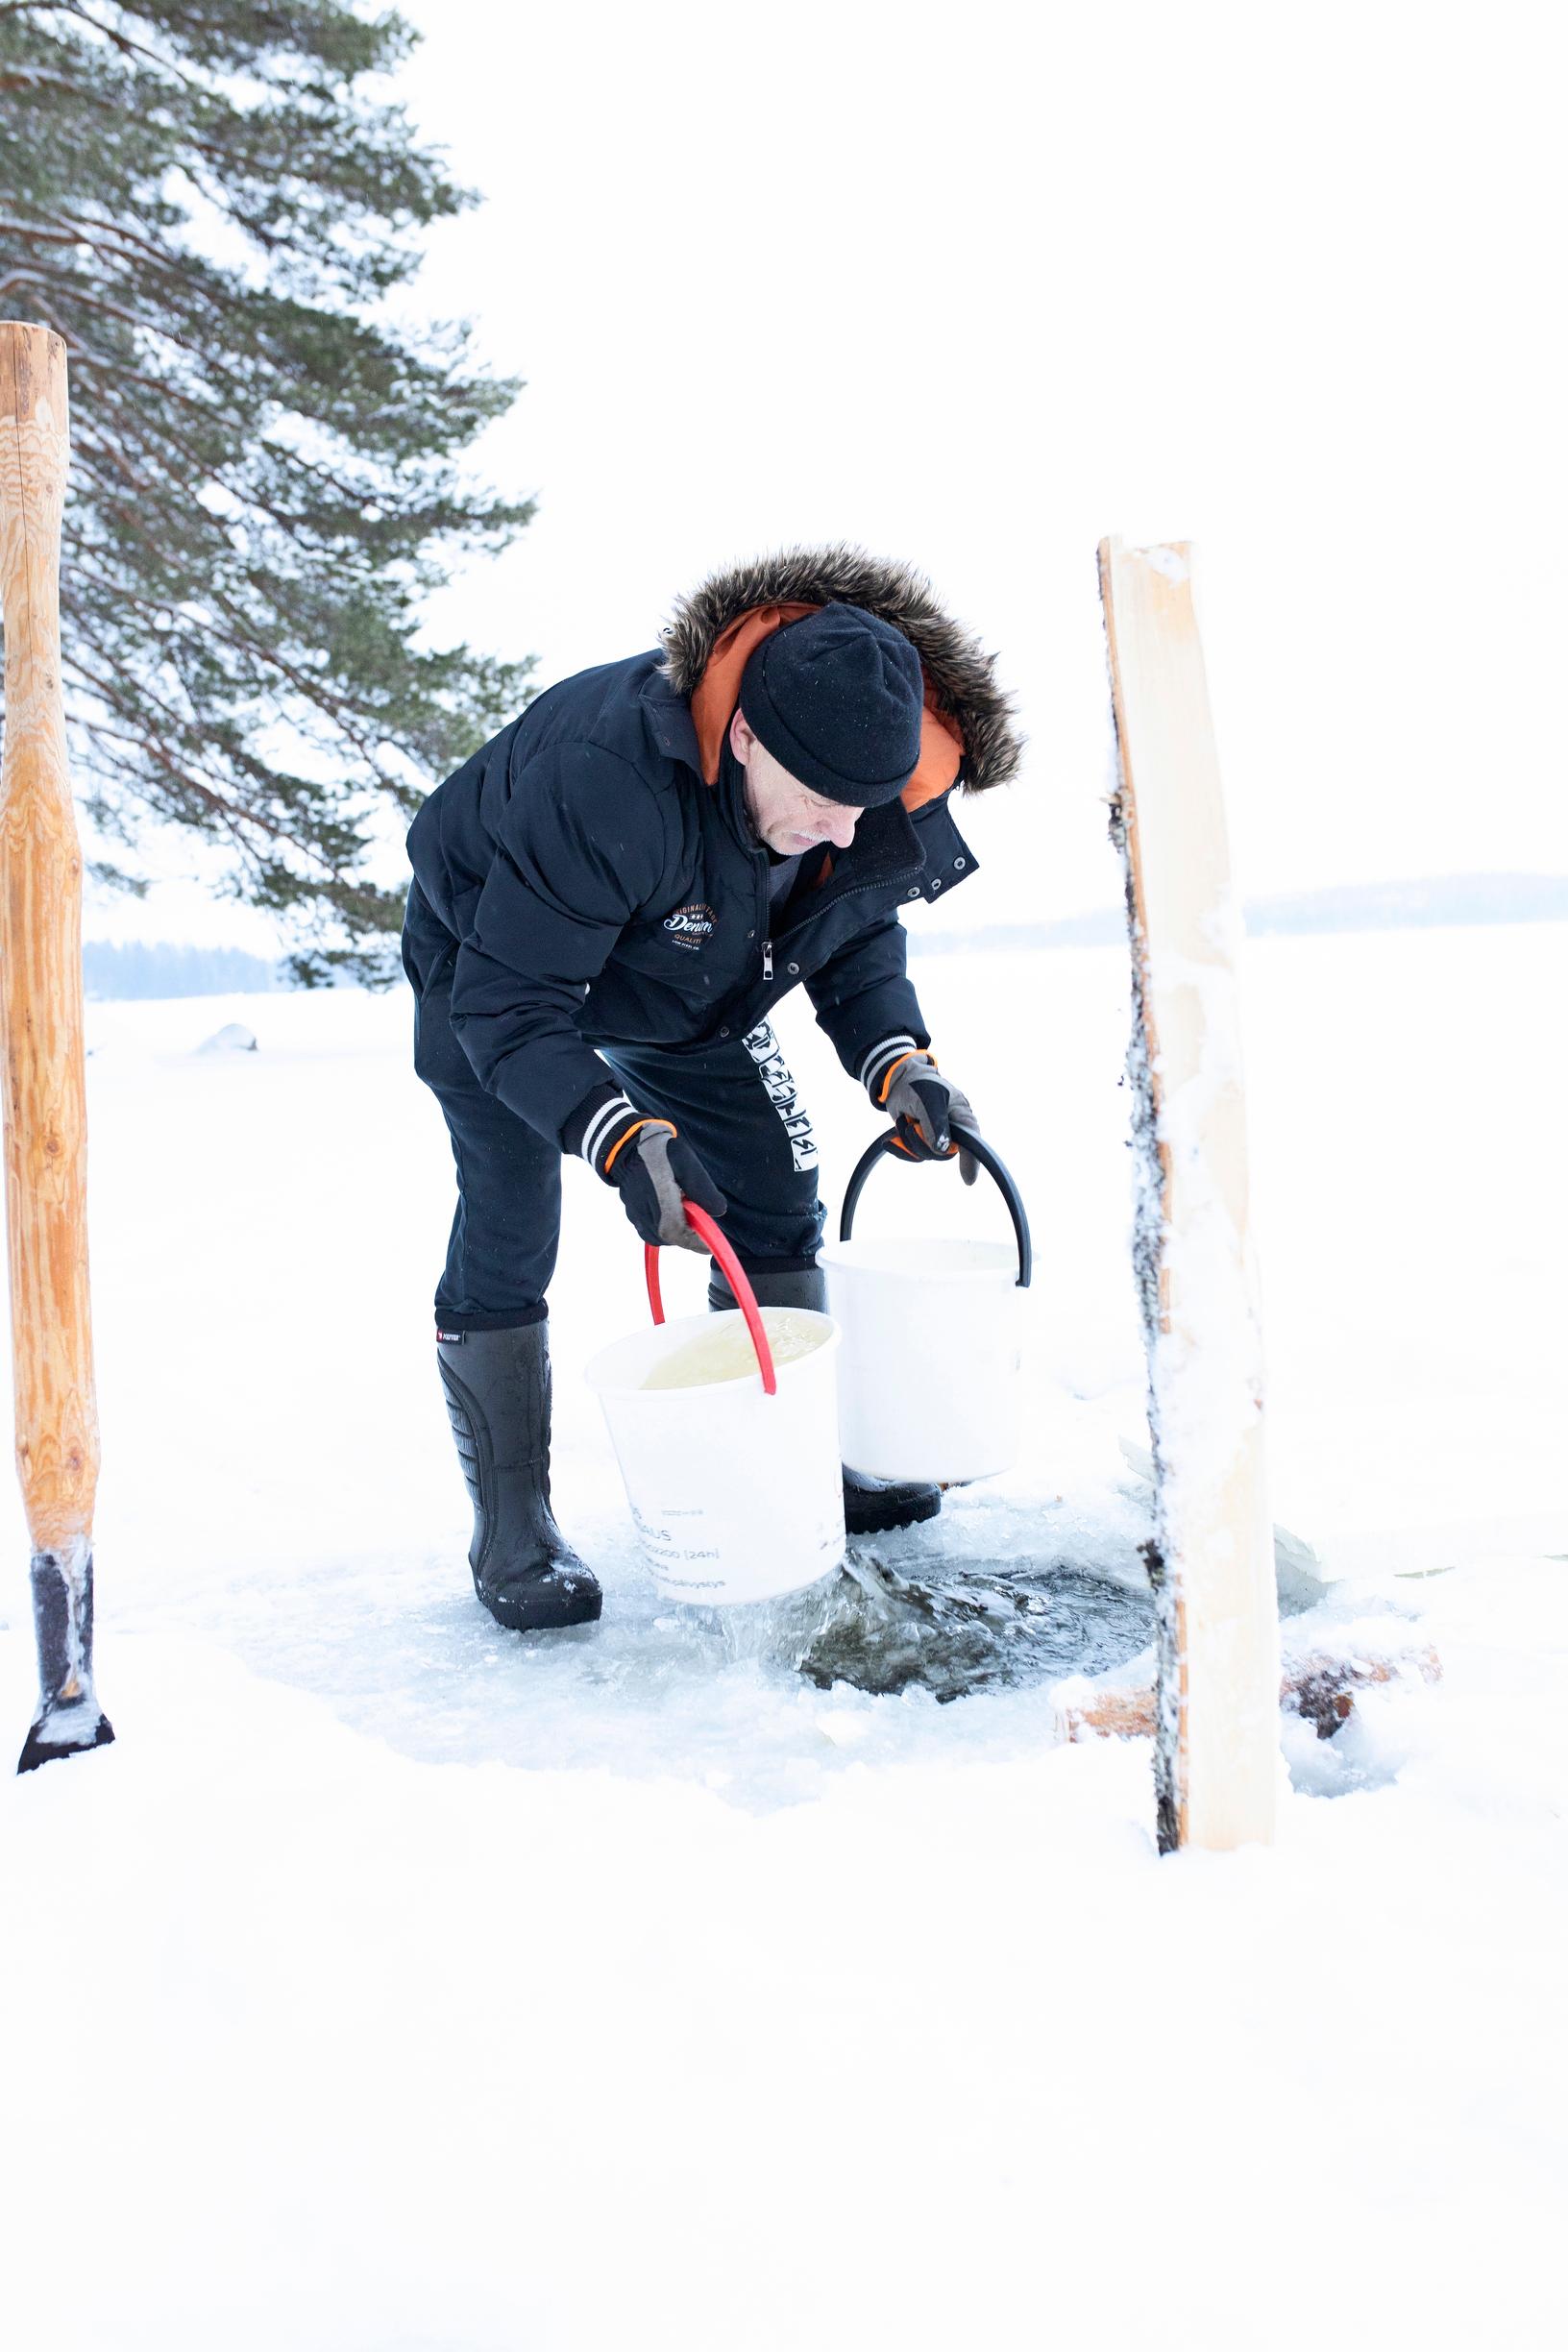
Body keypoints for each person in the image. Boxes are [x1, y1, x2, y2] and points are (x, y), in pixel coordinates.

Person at [403, 548, 1021, 1631]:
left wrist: (899, 1061)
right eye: (823, 802)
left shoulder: (855, 792)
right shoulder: (603, 776)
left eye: (861, 811)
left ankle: (785, 1465)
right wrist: (613, 1131)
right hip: (491, 967)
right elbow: (511, 1007)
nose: (842, 828)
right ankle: (513, 1525)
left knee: (776, 1187)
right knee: (511, 1213)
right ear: (744, 736)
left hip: (689, 982)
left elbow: (855, 933)